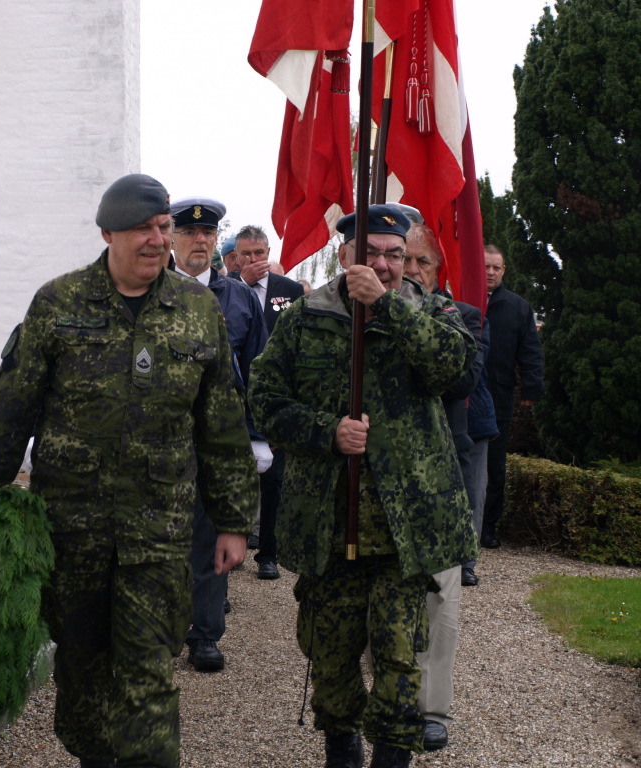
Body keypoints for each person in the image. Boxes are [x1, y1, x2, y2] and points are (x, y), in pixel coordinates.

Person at [0, 174, 259, 768]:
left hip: (158, 532)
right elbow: (13, 406)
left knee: (148, 678)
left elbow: (221, 423)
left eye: (162, 227)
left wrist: (233, 520)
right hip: (74, 531)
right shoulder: (58, 304)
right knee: (82, 680)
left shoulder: (197, 310)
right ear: (107, 234)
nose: (157, 239)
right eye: (142, 228)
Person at [249, 204, 478, 768]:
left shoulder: (433, 311)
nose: (383, 265)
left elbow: (455, 372)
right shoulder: (306, 318)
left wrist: (387, 308)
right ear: (343, 255)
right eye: (369, 254)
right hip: (329, 526)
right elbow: (265, 401)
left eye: (394, 255)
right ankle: (343, 750)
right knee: (331, 657)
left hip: (407, 532)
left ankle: (393, 756)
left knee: (401, 658)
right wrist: (326, 432)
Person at [170, 197, 270, 672]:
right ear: (172, 238)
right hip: (163, 437)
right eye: (189, 233)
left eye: (207, 233)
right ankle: (161, 627)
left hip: (218, 439)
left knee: (213, 531)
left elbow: (257, 369)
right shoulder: (153, 289)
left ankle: (204, 633)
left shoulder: (239, 297)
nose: (199, 241)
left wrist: (257, 436)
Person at [402, 222, 487, 752]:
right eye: (403, 260)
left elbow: (461, 380)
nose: (411, 271)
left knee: (439, 602)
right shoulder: (362, 319)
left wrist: (406, 319)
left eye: (423, 262)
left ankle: (431, 709)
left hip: (438, 487)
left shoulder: (463, 318)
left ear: (439, 269)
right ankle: (392, 697)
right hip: (377, 481)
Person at [231, 224, 306, 580]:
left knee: (275, 478)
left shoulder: (289, 290)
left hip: (277, 397)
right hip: (235, 395)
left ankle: (269, 554)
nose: (253, 260)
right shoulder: (225, 287)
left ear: (268, 252)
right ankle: (233, 547)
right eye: (246, 254)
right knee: (233, 477)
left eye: (259, 253)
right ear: (236, 256)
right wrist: (242, 283)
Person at [481, 244, 544, 548]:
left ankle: (487, 527)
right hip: (460, 396)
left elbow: (531, 351)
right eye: (485, 266)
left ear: (504, 270)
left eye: (496, 267)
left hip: (498, 397)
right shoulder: (456, 300)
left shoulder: (519, 308)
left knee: (494, 466)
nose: (490, 272)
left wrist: (531, 388)